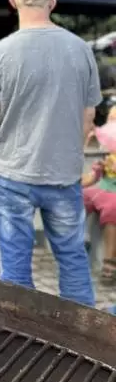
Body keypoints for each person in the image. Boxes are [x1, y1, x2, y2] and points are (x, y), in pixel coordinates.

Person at [0, 0, 100, 307]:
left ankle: (19, 328)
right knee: (72, 257)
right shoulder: (81, 51)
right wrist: (70, 152)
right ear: (53, 2)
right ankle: (81, 328)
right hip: (63, 174)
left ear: (12, 1)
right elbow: (88, 117)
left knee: (14, 263)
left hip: (11, 173)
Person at [82, 106, 116, 285]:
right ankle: (81, 239)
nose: (112, 123)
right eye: (111, 119)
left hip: (114, 196)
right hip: (102, 189)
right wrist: (99, 169)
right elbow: (90, 179)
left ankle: (109, 262)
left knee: (112, 209)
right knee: (78, 197)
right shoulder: (109, 151)